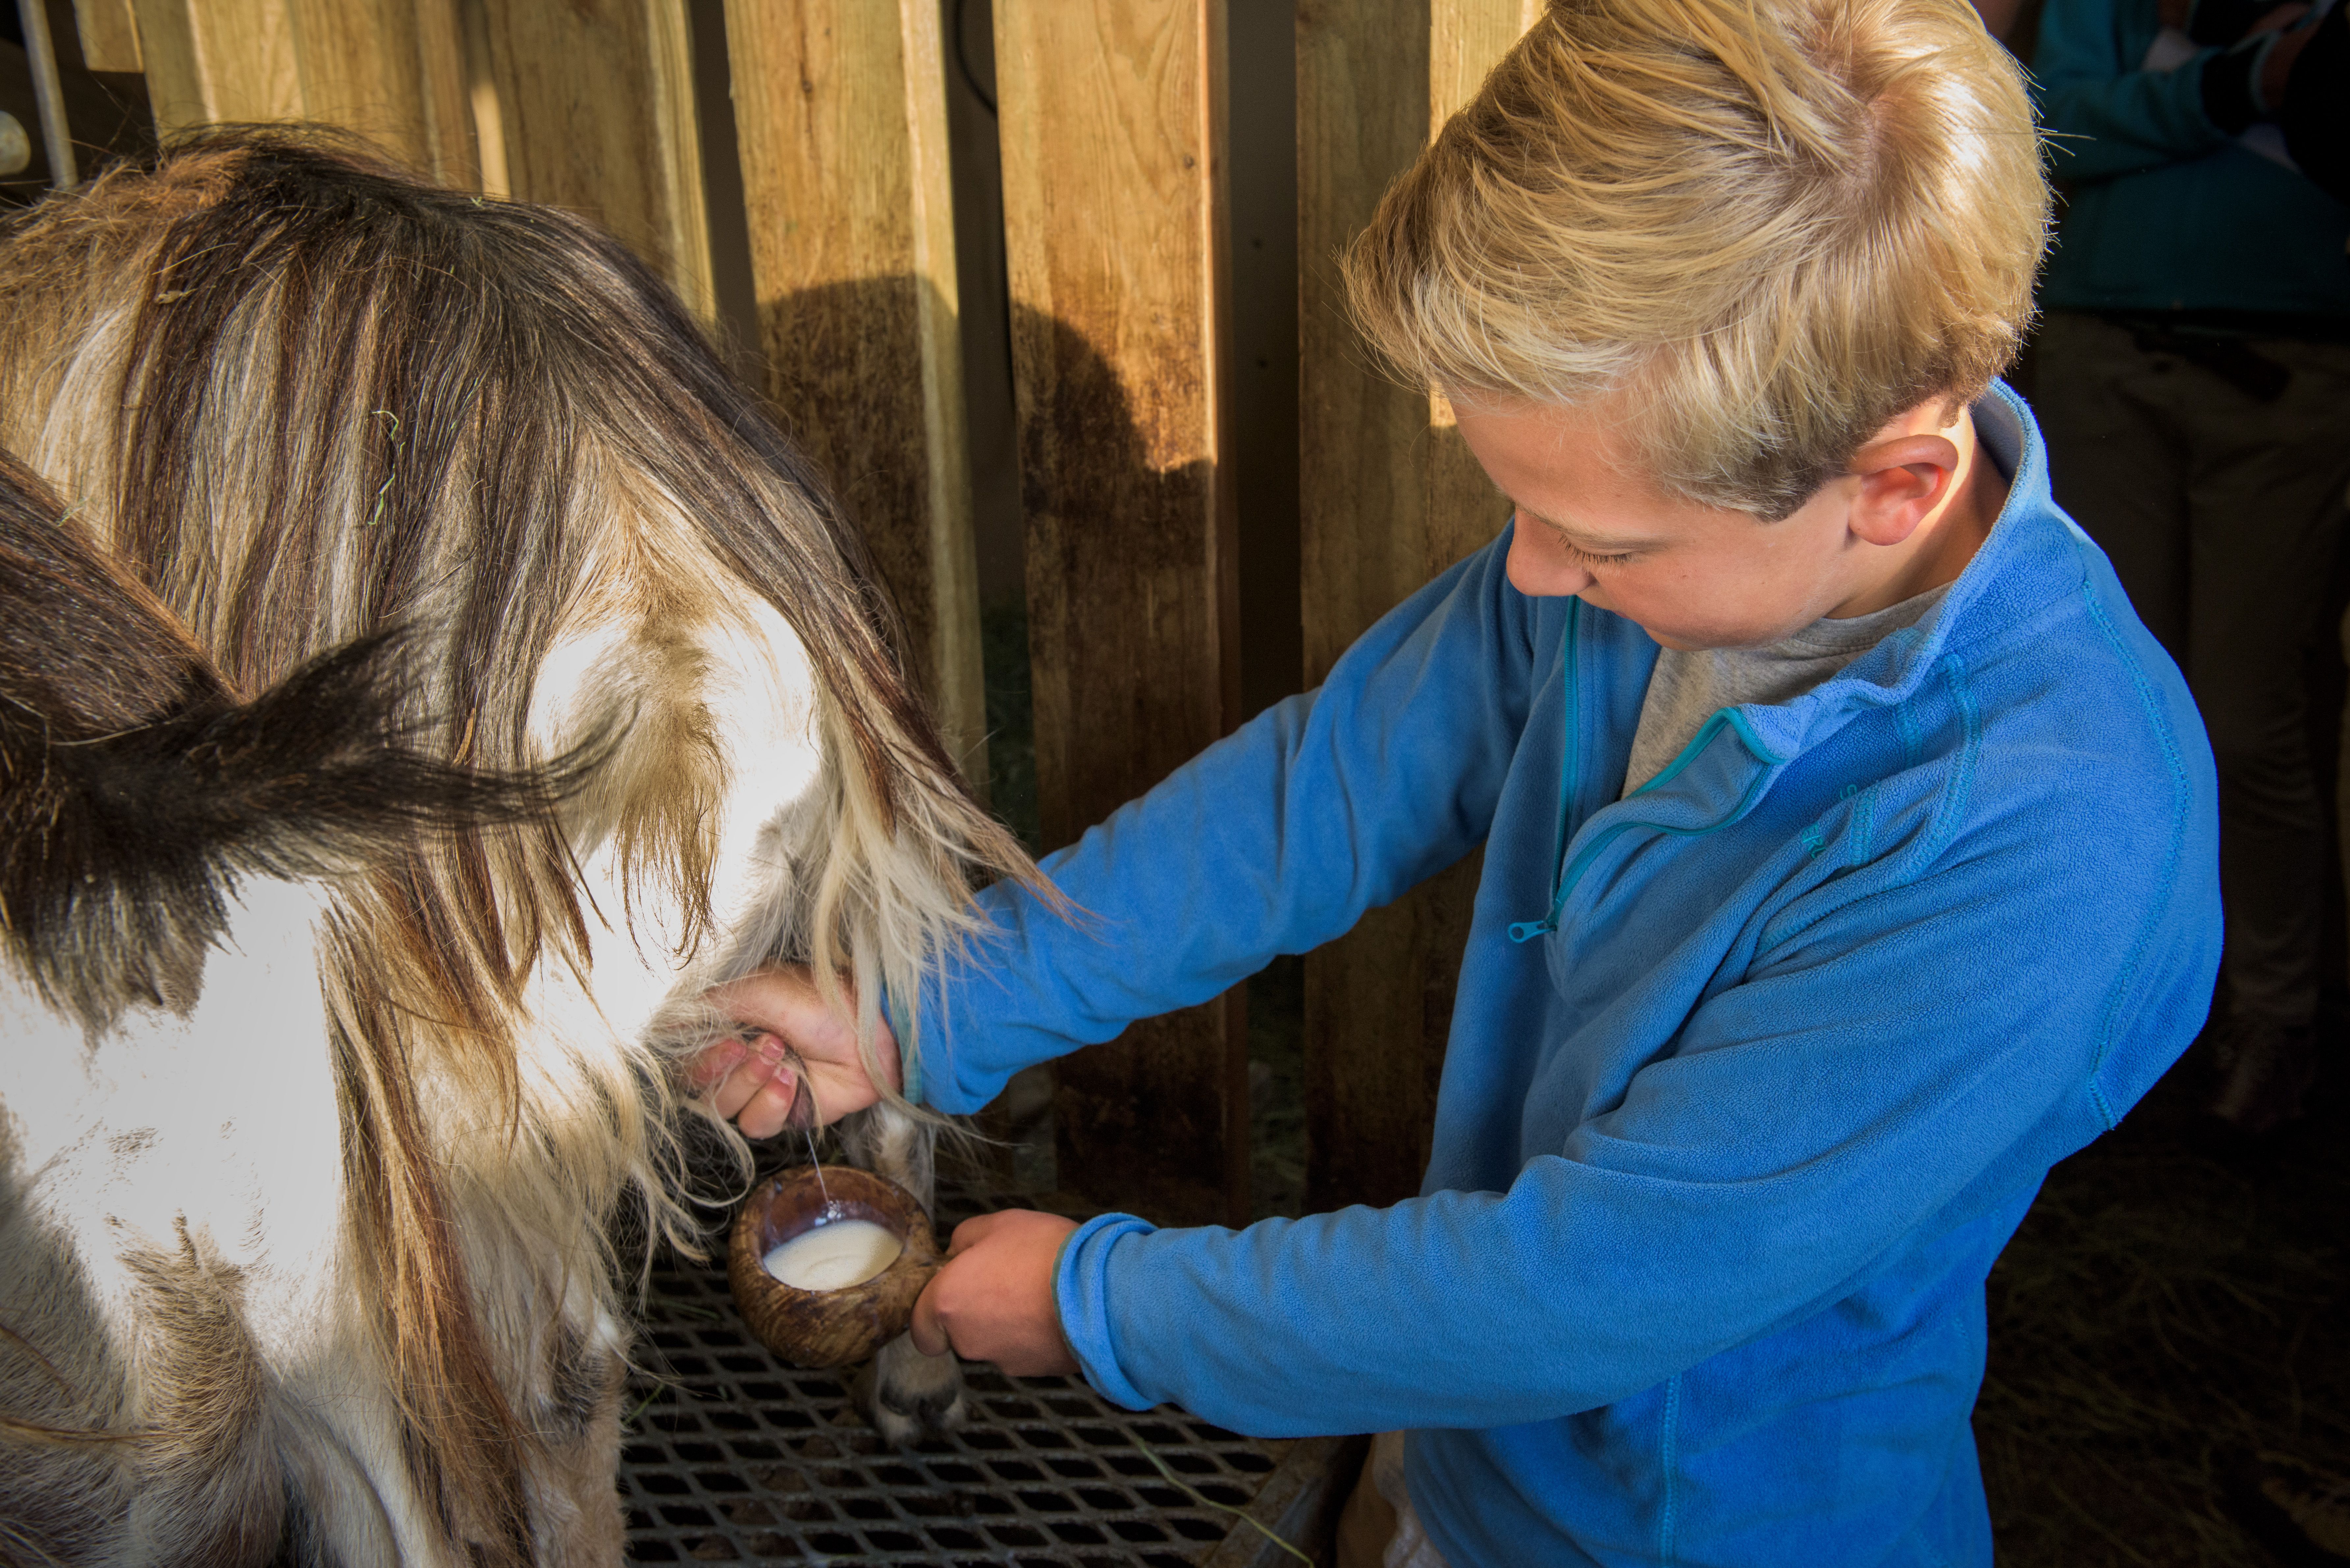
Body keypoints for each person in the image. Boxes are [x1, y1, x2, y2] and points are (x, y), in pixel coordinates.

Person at [706, 0, 2222, 1561]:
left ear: (1895, 481)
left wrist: (1104, 1304)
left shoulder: (2046, 838)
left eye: (1606, 540)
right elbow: (1329, 792)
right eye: (1520, 503)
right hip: (1464, 1440)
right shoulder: (1669, 548)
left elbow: (1589, 1286)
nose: (1527, 573)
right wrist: (925, 1012)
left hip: (1700, 1525)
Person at [2030, 0, 2350, 1136]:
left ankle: (2272, 1018)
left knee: (2242, 717)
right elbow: (2050, 127)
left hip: (2286, 366)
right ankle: (2115, 1022)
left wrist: (2171, 116)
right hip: (2102, 355)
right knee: (2107, 709)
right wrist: (2235, 93)